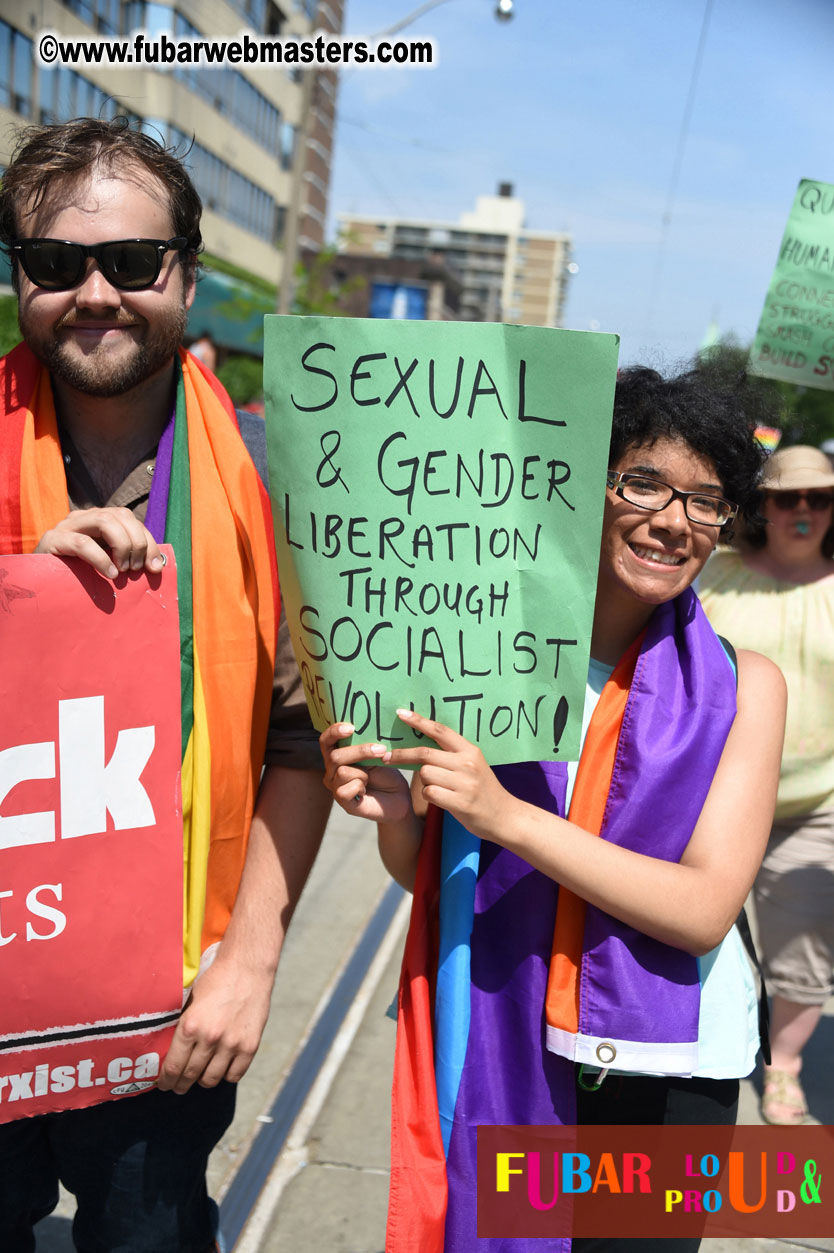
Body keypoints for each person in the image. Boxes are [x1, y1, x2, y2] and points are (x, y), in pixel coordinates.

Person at [321, 366, 787, 1253]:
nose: (674, 520)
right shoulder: (476, 653)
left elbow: (702, 909)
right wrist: (398, 817)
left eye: (706, 501)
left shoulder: (744, 685)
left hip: (665, 1071)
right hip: (501, 1025)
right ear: (576, 486)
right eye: (642, 482)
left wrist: (508, 815)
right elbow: (442, 877)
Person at [0, 117, 331, 1251]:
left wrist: (249, 965)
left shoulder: (280, 482)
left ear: (186, 274)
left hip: (173, 996)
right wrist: (18, 594)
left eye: (133, 261)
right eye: (56, 262)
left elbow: (299, 746)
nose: (95, 293)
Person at [699, 443, 834, 1126]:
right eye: (787, 496)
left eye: (820, 497)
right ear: (762, 505)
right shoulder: (714, 575)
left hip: (815, 805)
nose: (803, 509)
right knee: (688, 931)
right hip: (707, 798)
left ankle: (784, 1066)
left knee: (805, 942)